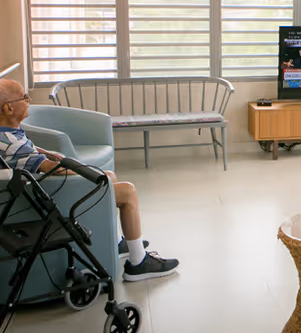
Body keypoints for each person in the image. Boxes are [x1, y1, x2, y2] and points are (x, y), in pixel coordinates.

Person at [0, 80, 179, 282]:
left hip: (35, 189)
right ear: (8, 108)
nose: (29, 100)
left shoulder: (7, 133)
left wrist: (45, 152)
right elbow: (50, 169)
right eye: (24, 97)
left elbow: (29, 153)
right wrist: (85, 171)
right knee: (127, 191)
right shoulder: (12, 145)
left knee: (110, 177)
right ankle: (138, 263)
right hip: (47, 194)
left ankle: (120, 242)